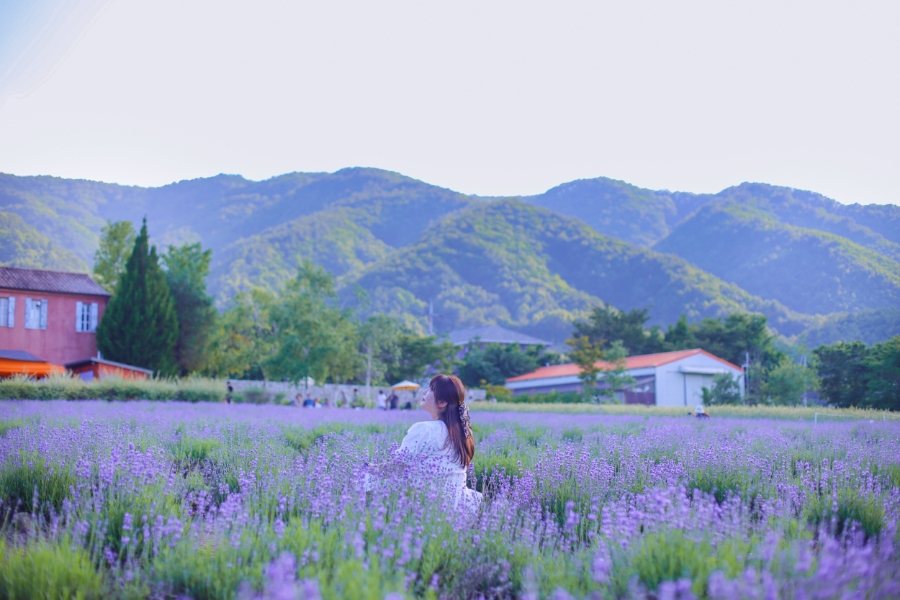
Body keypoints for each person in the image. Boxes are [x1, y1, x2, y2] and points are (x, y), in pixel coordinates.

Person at [366, 374, 481, 509]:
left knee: (365, 479)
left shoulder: (424, 429)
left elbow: (397, 467)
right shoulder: (462, 433)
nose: (425, 392)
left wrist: (370, 467)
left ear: (442, 402)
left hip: (427, 502)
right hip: (457, 504)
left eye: (431, 389)